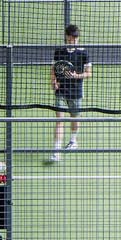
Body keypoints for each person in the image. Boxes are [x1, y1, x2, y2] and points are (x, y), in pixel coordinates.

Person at [48, 22, 91, 163]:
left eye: (75, 38)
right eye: (71, 38)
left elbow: (88, 73)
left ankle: (73, 141)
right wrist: (53, 81)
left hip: (76, 91)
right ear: (67, 37)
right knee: (59, 121)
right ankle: (56, 151)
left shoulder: (83, 53)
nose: (73, 40)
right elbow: (53, 69)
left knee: (74, 118)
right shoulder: (59, 51)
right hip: (61, 90)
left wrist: (76, 76)